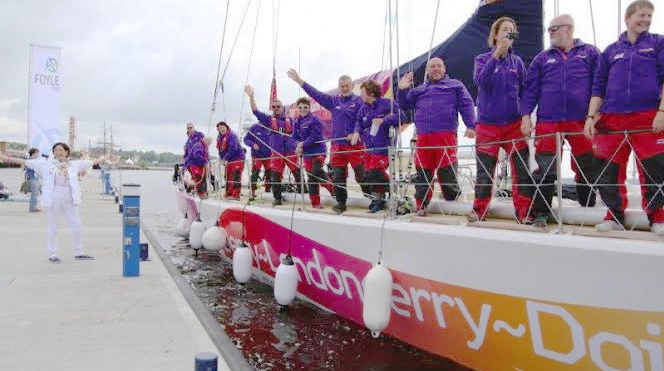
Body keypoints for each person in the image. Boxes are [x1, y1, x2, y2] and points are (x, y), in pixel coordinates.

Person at [584, 0, 664, 233]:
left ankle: (658, 217)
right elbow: (598, 86)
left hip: (648, 116)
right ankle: (614, 216)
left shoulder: (658, 44)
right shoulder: (611, 51)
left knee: (654, 168)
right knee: (607, 169)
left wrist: (662, 111)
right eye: (642, 15)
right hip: (612, 117)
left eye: (650, 16)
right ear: (628, 18)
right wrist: (590, 117)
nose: (646, 19)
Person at [521, 15, 601, 227]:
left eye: (554, 29)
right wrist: (526, 116)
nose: (550, 33)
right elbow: (531, 90)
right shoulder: (542, 59)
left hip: (581, 120)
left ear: (569, 29)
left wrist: (596, 115)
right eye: (549, 30)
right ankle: (541, 213)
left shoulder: (590, 53)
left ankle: (587, 207)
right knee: (545, 168)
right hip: (549, 120)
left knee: (587, 165)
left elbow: (600, 85)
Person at [470, 16, 536, 224]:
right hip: (487, 125)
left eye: (511, 30)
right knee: (484, 172)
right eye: (504, 30)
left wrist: (526, 117)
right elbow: (481, 81)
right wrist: (496, 56)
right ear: (496, 35)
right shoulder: (482, 59)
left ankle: (524, 211)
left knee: (522, 169)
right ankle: (479, 210)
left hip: (513, 125)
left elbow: (526, 92)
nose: (508, 33)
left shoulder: (517, 63)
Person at [0, 142, 108, 263]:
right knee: (53, 227)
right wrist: (5, 158)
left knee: (77, 225)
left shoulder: (74, 165)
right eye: (56, 150)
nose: (58, 152)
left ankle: (79, 252)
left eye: (61, 150)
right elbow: (25, 162)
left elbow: (91, 162)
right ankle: (52, 254)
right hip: (54, 198)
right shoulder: (45, 164)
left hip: (70, 198)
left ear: (67, 152)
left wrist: (105, 157)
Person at [398, 57, 477, 217]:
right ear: (427, 71)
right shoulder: (419, 90)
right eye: (432, 66)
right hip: (423, 137)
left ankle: (452, 203)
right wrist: (402, 89)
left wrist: (471, 125)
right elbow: (404, 104)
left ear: (444, 69)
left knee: (447, 169)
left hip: (446, 135)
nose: (435, 69)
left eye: (438, 66)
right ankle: (421, 206)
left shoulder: (455, 85)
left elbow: (467, 104)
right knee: (423, 173)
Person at [288, 69, 366, 214]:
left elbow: (362, 119)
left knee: (361, 175)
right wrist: (300, 81)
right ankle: (341, 203)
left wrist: (356, 132)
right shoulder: (332, 101)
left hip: (355, 145)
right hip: (337, 147)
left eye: (347, 86)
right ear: (339, 86)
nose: (344, 88)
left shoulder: (359, 101)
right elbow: (316, 94)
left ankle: (373, 200)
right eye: (342, 86)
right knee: (338, 176)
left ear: (352, 85)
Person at [244, 85, 303, 206]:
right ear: (272, 108)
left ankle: (304, 192)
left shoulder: (291, 121)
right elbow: (255, 111)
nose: (276, 108)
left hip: (290, 152)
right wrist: (251, 96)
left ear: (282, 108)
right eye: (274, 107)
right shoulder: (268, 120)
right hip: (276, 153)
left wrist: (300, 146)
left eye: (278, 106)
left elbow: (300, 133)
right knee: (275, 176)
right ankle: (277, 198)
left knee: (298, 173)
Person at [351, 80, 401, 213]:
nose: (360, 95)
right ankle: (376, 199)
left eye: (362, 92)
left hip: (384, 147)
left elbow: (401, 116)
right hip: (369, 148)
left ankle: (388, 191)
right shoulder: (363, 108)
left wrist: (383, 120)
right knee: (367, 176)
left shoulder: (387, 104)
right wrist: (356, 132)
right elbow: (359, 123)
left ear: (371, 92)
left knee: (376, 171)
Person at [292, 97, 328, 209]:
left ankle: (334, 189)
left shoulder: (315, 119)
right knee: (311, 178)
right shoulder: (296, 121)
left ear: (309, 107)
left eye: (305, 107)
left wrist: (302, 144)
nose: (303, 109)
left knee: (316, 171)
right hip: (307, 154)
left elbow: (316, 136)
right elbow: (293, 137)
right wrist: (297, 145)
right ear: (298, 108)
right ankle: (315, 203)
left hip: (318, 151)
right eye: (301, 107)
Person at [216, 121, 245, 200]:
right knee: (228, 176)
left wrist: (225, 158)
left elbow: (233, 148)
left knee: (236, 175)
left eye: (223, 127)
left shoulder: (232, 136)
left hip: (238, 158)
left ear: (226, 127)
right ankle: (228, 193)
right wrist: (221, 159)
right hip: (229, 160)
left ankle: (236, 195)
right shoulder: (219, 138)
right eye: (219, 128)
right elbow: (220, 149)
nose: (221, 129)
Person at [243, 122, 273, 199]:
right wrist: (253, 144)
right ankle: (252, 192)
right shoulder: (254, 127)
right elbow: (246, 139)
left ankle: (267, 190)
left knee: (270, 172)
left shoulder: (271, 127)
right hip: (257, 155)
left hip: (269, 155)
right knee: (255, 172)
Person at [25, 148, 42, 212]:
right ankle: (33, 208)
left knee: (36, 193)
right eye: (37, 152)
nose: (38, 154)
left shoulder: (33, 160)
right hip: (32, 178)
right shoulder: (30, 160)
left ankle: (34, 207)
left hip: (34, 177)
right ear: (34, 153)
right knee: (34, 194)